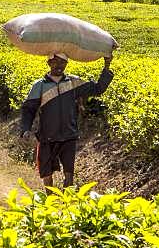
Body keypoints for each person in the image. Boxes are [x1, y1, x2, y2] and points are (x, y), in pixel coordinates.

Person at [19, 51, 113, 188]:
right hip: (47, 137)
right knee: (47, 174)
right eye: (56, 62)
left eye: (63, 62)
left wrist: (107, 65)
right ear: (49, 63)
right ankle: (49, 206)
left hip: (68, 136)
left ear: (66, 64)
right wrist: (25, 129)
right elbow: (29, 109)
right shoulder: (39, 86)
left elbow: (97, 89)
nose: (59, 66)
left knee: (69, 175)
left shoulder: (73, 82)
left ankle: (65, 205)